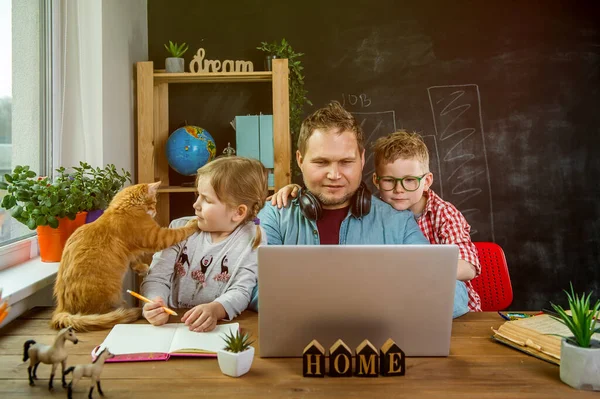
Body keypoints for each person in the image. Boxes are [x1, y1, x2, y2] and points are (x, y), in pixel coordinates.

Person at [251, 101, 437, 310]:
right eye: (321, 162)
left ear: (362, 159)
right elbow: (250, 288)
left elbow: (453, 295)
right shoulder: (275, 216)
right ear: (300, 160)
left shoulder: (398, 221)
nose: (334, 175)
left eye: (346, 162)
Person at [272, 129, 481, 315]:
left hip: (462, 315)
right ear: (377, 182)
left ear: (426, 181)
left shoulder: (442, 215)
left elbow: (468, 268)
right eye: (389, 181)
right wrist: (297, 190)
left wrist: (406, 274)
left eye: (410, 180)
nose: (399, 190)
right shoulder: (378, 207)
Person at [141, 156, 268, 332]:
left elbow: (241, 290)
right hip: (170, 326)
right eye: (198, 195)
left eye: (207, 200)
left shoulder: (253, 238)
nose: (196, 205)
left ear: (238, 212)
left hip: (215, 329)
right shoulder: (179, 228)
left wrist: (215, 310)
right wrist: (154, 302)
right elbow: (156, 277)